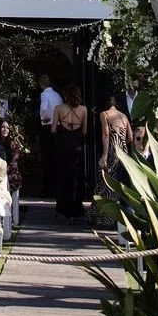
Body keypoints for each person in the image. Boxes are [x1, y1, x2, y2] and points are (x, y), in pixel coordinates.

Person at [51, 84, 87, 222]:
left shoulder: (59, 109)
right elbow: (84, 131)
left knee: (62, 177)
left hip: (62, 144)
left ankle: (62, 207)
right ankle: (75, 208)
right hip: (76, 145)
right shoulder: (83, 110)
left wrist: (62, 129)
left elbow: (53, 129)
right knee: (75, 178)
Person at [98, 95, 132, 188]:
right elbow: (130, 137)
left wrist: (104, 155)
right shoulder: (124, 116)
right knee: (121, 177)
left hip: (112, 150)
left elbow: (106, 135)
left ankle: (109, 200)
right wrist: (122, 143)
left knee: (108, 177)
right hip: (123, 151)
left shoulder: (104, 114)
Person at [0, 118, 23, 226]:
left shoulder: (13, 144)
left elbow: (14, 161)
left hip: (11, 175)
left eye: (7, 127)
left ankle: (12, 220)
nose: (5, 129)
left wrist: (6, 172)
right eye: (2, 127)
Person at [38, 74, 62, 198]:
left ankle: (48, 187)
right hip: (58, 126)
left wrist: (42, 117)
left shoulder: (44, 95)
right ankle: (57, 186)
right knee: (56, 157)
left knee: (47, 157)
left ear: (41, 84)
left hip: (47, 126)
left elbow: (43, 108)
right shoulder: (57, 95)